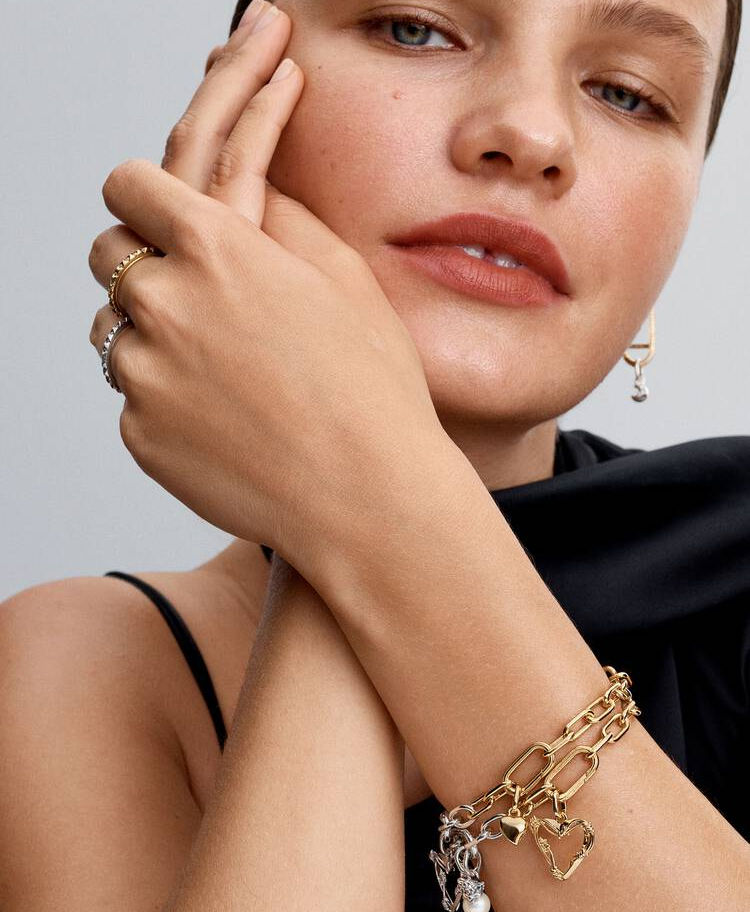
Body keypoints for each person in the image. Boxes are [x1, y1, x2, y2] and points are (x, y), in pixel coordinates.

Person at [1, 0, 748, 909]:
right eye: (415, 28)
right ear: (239, 108)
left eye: (629, 94)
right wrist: (352, 495)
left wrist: (361, 500)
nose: (531, 133)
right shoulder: (88, 676)